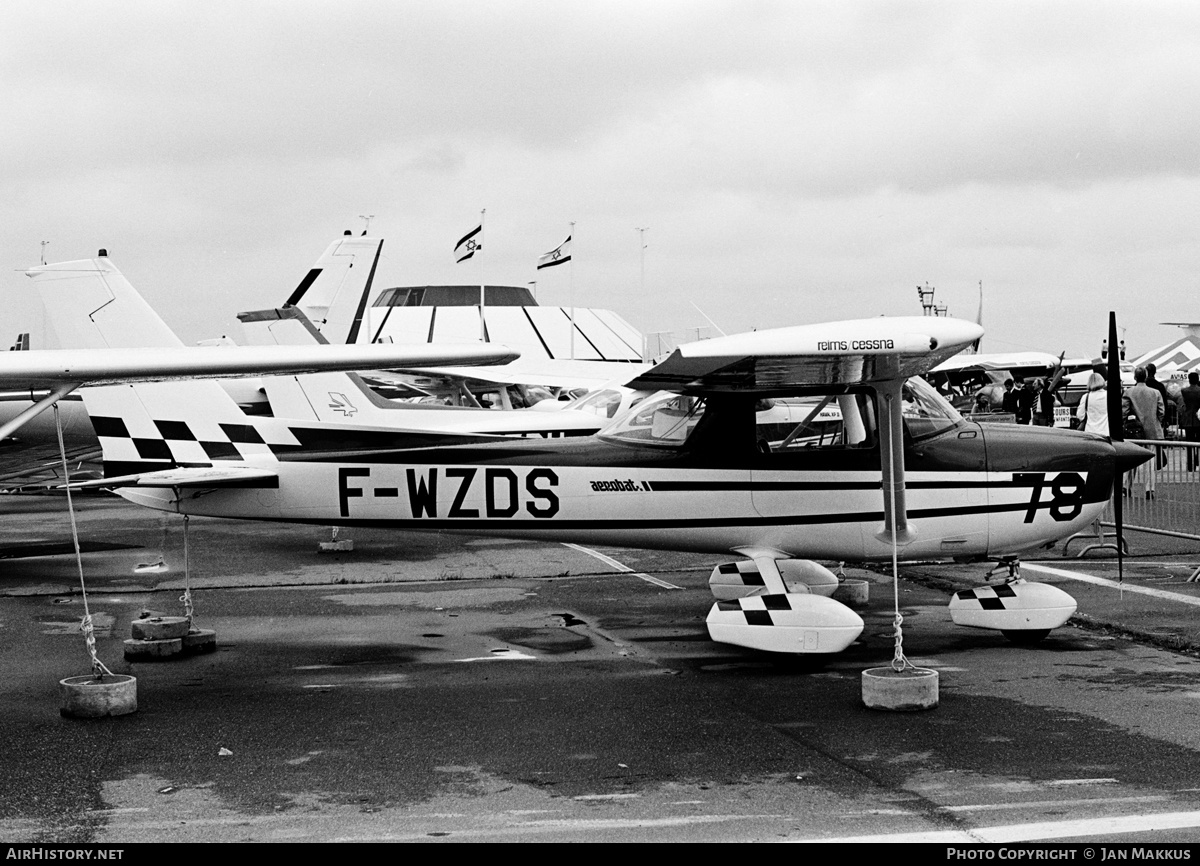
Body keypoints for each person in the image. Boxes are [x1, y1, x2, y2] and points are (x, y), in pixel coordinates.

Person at [1124, 366, 1165, 498]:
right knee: (1150, 462)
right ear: (1146, 377)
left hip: (1133, 431)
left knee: (1131, 460)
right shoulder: (1155, 392)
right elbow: (1161, 412)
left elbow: (1123, 412)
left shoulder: (1128, 392)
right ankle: (1149, 489)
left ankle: (1126, 486)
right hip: (1152, 430)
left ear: (1135, 377)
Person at [1176, 371, 1200, 472]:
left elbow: (1181, 404)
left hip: (1188, 419)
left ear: (1189, 380)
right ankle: (1197, 460)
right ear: (1198, 379)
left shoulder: (1184, 391)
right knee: (1198, 443)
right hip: (1198, 419)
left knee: (1189, 443)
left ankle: (1190, 465)